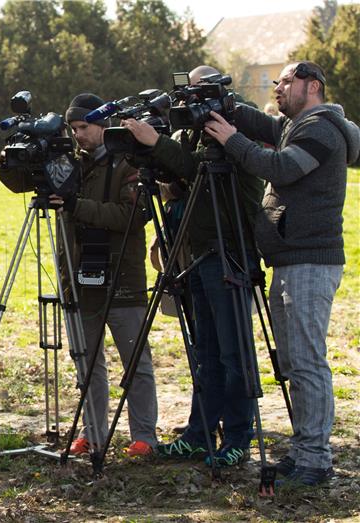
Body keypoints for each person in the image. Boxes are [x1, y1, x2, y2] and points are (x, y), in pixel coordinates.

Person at [203, 60, 360, 487]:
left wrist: (233, 140)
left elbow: (281, 167)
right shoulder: (299, 124)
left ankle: (315, 459)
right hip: (291, 259)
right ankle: (305, 448)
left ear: (312, 86)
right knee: (293, 363)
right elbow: (268, 128)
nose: (278, 87)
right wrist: (226, 104)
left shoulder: (322, 129)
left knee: (308, 363)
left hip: (311, 260)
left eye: (286, 81)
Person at [123, 65, 264, 468]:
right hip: (198, 251)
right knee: (206, 351)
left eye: (200, 92)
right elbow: (185, 174)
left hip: (230, 249)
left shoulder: (235, 123)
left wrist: (157, 142)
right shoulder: (190, 128)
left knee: (234, 352)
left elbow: (199, 167)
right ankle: (200, 433)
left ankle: (238, 436)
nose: (192, 101)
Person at [48, 93, 158, 457]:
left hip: (122, 279)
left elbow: (131, 216)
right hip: (78, 281)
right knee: (88, 364)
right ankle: (92, 432)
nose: (78, 134)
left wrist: (79, 206)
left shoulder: (127, 161)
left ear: (101, 124)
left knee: (135, 363)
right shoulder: (69, 166)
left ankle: (144, 436)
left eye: (84, 127)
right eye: (73, 128)